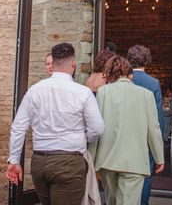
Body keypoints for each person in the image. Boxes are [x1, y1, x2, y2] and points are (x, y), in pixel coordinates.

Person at [7, 42, 104, 205]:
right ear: (73, 64)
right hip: (70, 162)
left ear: (53, 63)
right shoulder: (83, 93)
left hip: (40, 161)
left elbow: (18, 128)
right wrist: (83, 137)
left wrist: (14, 161)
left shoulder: (34, 90)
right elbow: (97, 128)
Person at [91, 55, 164, 205]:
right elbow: (153, 130)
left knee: (111, 201)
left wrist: (91, 158)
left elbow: (96, 127)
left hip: (107, 160)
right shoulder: (146, 95)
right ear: (130, 74)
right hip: (134, 161)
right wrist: (159, 157)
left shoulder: (103, 92)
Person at [127, 45, 163, 205]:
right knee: (146, 175)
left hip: (125, 134)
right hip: (145, 136)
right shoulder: (153, 83)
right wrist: (159, 146)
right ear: (147, 61)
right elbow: (157, 118)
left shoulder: (124, 81)